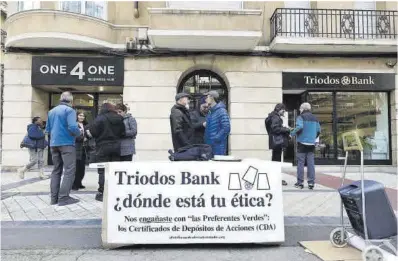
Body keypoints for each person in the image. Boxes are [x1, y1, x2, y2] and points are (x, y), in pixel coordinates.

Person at [46, 92, 81, 206]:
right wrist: (79, 133)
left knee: (56, 170)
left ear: (61, 99)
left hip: (54, 143)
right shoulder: (70, 110)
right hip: (67, 143)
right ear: (71, 100)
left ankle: (54, 198)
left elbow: (48, 129)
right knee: (70, 170)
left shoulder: (51, 111)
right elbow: (72, 127)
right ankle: (64, 197)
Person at [89, 102, 125, 202]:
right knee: (114, 170)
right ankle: (114, 191)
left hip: (102, 147)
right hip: (116, 147)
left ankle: (102, 192)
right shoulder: (119, 118)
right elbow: (123, 132)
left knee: (103, 170)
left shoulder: (100, 118)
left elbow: (93, 132)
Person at [290, 102, 321, 190]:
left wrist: (292, 133)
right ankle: (311, 183)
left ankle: (300, 183)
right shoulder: (315, 118)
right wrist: (312, 138)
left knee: (300, 163)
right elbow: (319, 130)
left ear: (303, 109)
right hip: (311, 143)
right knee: (311, 163)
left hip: (302, 143)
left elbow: (299, 127)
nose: (300, 110)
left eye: (300, 109)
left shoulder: (301, 117)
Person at [265, 103, 290, 186]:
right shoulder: (276, 117)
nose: (284, 112)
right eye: (283, 110)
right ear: (279, 109)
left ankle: (274, 178)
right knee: (277, 160)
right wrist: (286, 129)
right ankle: (277, 179)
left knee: (275, 160)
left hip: (274, 141)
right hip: (277, 141)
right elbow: (275, 128)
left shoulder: (272, 116)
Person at [204, 90, 230, 156]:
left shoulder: (221, 111)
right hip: (209, 146)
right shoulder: (210, 112)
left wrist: (216, 139)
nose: (205, 100)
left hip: (218, 146)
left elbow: (226, 128)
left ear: (212, 98)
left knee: (218, 165)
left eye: (207, 97)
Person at [72, 111, 88, 191]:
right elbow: (74, 136)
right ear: (77, 116)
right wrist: (83, 138)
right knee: (76, 167)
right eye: (80, 115)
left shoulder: (85, 125)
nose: (82, 117)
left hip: (83, 149)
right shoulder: (74, 125)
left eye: (83, 116)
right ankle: (74, 184)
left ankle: (79, 182)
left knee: (82, 168)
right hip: (76, 148)